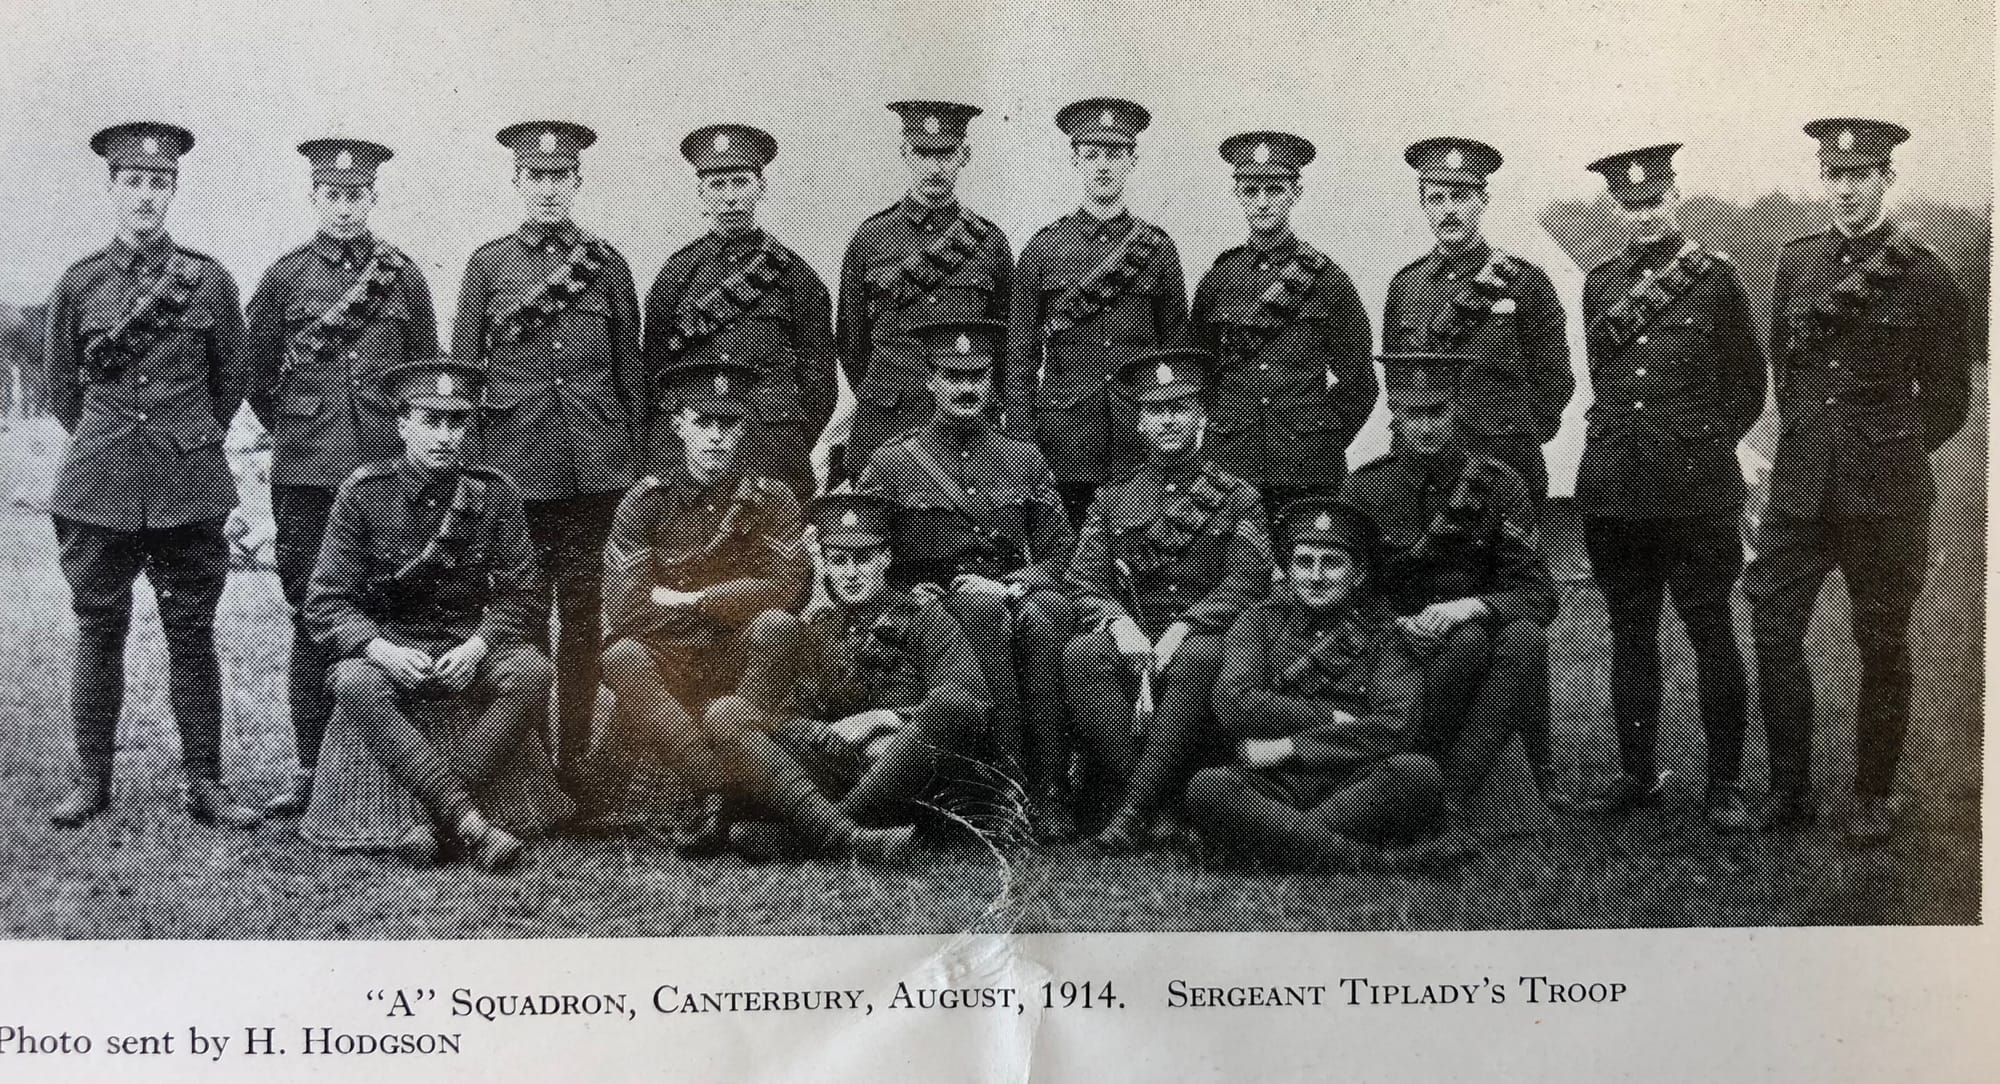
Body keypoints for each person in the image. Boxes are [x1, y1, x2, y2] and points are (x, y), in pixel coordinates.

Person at [1747, 118, 1971, 842]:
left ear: (1886, 179)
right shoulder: (1796, 263)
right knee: (1774, 630)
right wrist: (1815, 442)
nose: (1845, 189)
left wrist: (1882, 450)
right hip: (1801, 490)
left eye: (1860, 175)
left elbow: (1945, 402)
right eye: (1834, 176)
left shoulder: (1928, 275)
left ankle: (1874, 795)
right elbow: (1788, 368)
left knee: (1882, 640)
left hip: (1885, 496)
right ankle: (1790, 791)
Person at [42, 122, 261, 829]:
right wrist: (110, 444)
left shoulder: (210, 279)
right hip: (100, 486)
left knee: (191, 632)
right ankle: (91, 782)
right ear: (112, 189)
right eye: (133, 182)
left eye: (158, 183)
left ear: (173, 191)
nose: (145, 196)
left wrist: (184, 440)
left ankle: (206, 784)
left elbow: (231, 380)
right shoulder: (78, 284)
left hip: (187, 486)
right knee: (98, 630)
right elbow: (61, 393)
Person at [244, 137, 443, 817]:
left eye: (357, 196)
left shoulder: (405, 278)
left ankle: (387, 766)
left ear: (374, 198)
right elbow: (255, 377)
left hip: (390, 478)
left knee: (393, 614)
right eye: (332, 195)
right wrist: (305, 428)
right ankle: (308, 769)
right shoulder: (284, 278)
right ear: (314, 197)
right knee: (313, 618)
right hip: (307, 478)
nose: (345, 208)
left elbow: (425, 377)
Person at [1571, 144, 1766, 830]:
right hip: (1618, 491)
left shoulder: (1714, 280)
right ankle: (1637, 775)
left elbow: (1748, 385)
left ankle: (1725, 787)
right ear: (1616, 209)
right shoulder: (1600, 284)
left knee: (1711, 631)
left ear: (1675, 195)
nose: (1644, 216)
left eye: (1654, 201)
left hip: (1695, 493)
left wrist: (1701, 445)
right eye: (1630, 206)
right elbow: (1608, 381)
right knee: (1630, 634)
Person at [451, 121, 644, 794]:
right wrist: (473, 473)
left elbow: (629, 375)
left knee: (588, 616)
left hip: (595, 471)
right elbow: (466, 381)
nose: (548, 190)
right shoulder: (487, 265)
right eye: (536, 177)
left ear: (578, 183)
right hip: (516, 473)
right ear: (517, 182)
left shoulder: (608, 263)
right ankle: (526, 763)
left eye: (561, 177)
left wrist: (633, 460)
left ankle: (577, 759)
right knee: (523, 618)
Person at [302, 359, 552, 871]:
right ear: (402, 424)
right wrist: (379, 648)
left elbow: (524, 593)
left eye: (456, 422)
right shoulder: (364, 493)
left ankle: (435, 813)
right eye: (429, 421)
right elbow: (326, 599)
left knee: (532, 672)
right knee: (353, 682)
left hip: (467, 640)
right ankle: (470, 823)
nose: (444, 436)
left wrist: (481, 642)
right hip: (393, 641)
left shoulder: (495, 493)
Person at [856, 317, 1079, 838]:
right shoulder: (893, 461)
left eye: (978, 377)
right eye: (953, 377)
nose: (967, 389)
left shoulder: (1020, 456)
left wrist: (1016, 585)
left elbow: (1063, 551)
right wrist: (912, 592)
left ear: (993, 381)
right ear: (929, 381)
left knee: (1041, 618)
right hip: (927, 606)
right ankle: (995, 787)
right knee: (974, 615)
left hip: (1010, 595)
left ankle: (1048, 786)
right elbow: (866, 551)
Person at [700, 489, 993, 864]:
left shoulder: (924, 615)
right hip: (833, 765)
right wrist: (820, 733)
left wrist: (883, 719)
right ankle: (851, 840)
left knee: (948, 707)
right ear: (823, 562)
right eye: (838, 561)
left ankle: (804, 838)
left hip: (905, 772)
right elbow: (777, 718)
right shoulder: (816, 627)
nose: (851, 573)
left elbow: (965, 703)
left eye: (863, 558)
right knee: (726, 713)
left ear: (885, 557)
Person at [586, 360, 810, 850]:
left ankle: (748, 772)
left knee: (776, 626)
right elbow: (626, 607)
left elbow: (789, 591)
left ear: (744, 426)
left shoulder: (772, 499)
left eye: (727, 424)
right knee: (621, 656)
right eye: (702, 422)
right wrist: (735, 597)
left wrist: (694, 599)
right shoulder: (646, 500)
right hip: (671, 658)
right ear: (678, 424)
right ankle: (717, 789)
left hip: (741, 653)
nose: (714, 438)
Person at [1340, 352, 1567, 819]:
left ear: (1458, 408)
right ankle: (1417, 765)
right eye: (1412, 415)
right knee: (1470, 644)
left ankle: (1461, 796)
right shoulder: (1365, 489)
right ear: (1394, 415)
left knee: (1521, 637)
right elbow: (1348, 589)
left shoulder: (1497, 484)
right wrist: (1394, 622)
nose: (1425, 428)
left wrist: (1475, 605)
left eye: (1437, 413)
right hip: (1393, 636)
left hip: (1478, 629)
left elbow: (1539, 593)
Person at [1064, 347, 1272, 850]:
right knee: (1083, 654)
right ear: (1137, 421)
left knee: (1198, 658)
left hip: (1206, 633)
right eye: (1156, 411)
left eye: (1181, 408)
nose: (1169, 422)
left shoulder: (1238, 495)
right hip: (1136, 630)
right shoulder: (1114, 499)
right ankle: (1157, 802)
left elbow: (1248, 580)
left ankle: (1135, 811)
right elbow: (1082, 580)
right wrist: (1116, 622)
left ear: (1202, 414)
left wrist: (1189, 623)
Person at [1188, 498, 1445, 871]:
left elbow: (1395, 726)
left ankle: (1273, 843)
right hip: (1272, 785)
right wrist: (1329, 717)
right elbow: (1234, 703)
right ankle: (1374, 863)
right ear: (1289, 570)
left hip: (1352, 782)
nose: (1316, 576)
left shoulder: (1385, 633)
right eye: (1304, 562)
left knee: (1417, 773)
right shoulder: (1259, 621)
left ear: (1357, 575)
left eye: (1332, 563)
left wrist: (1290, 746)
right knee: (1209, 787)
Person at [1005, 97, 1188, 522]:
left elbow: (1176, 350)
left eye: (1114, 154)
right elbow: (1019, 358)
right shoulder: (1044, 248)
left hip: (1139, 443)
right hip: (1065, 440)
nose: (1103, 166)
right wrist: (1024, 440)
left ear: (1132, 160)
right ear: (1075, 160)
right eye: (1092, 155)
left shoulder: (1157, 250)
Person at [646, 123, 835, 501]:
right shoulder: (677, 274)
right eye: (717, 186)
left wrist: (786, 435)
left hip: (773, 452)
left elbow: (820, 380)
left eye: (740, 182)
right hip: (693, 460)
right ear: (701, 192)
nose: (730, 197)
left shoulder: (796, 275)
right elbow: (654, 371)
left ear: (761, 188)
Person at [1188, 131, 1375, 513]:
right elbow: (1197, 371)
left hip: (1308, 472)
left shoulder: (1327, 280)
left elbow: (1360, 382)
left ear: (1295, 192)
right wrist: (1223, 429)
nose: (1262, 203)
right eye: (1250, 190)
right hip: (1231, 468)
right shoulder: (1218, 279)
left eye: (1273, 190)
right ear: (1237, 193)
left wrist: (1319, 437)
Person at [1383, 137, 1572, 508]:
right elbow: (1396, 379)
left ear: (1483, 201)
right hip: (1423, 471)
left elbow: (1554, 377)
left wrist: (1519, 435)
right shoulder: (1405, 284)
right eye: (1437, 199)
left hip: (1504, 467)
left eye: (1461, 197)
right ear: (1423, 204)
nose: (1448, 211)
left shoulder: (1524, 281)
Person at [835, 101, 1013, 472]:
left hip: (968, 425)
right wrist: (886, 388)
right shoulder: (870, 239)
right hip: (887, 419)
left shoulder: (990, 243)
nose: (935, 166)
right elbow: (852, 342)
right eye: (923, 153)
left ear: (964, 155)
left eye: (946, 153)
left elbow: (1005, 343)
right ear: (904, 154)